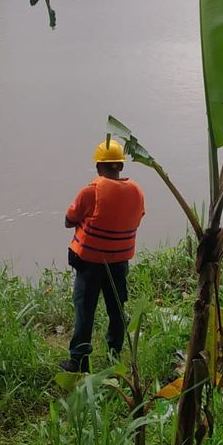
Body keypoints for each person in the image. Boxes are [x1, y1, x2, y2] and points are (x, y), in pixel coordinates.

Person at [61, 138, 145, 373]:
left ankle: (78, 362)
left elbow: (69, 221)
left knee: (85, 312)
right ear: (121, 165)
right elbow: (138, 216)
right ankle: (114, 356)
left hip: (90, 264)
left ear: (99, 166)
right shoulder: (137, 192)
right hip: (119, 263)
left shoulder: (91, 191)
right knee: (117, 309)